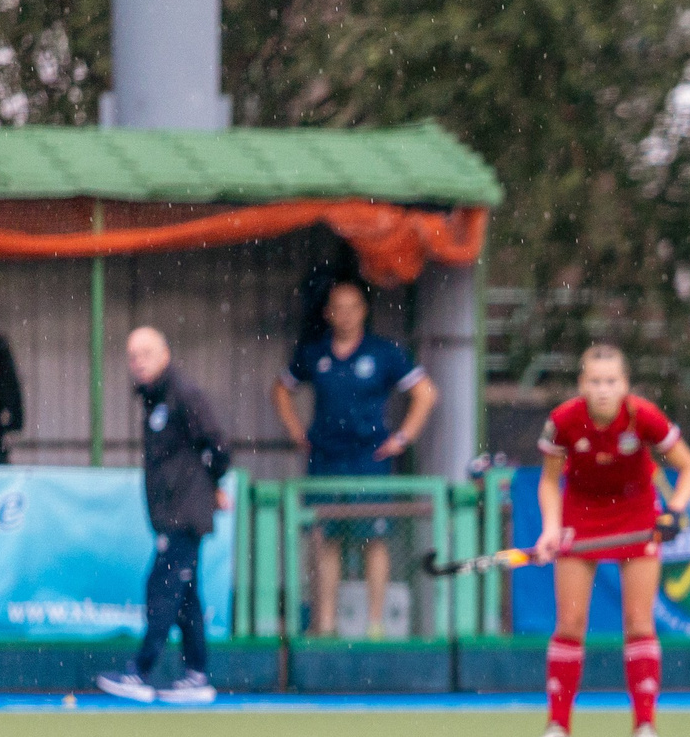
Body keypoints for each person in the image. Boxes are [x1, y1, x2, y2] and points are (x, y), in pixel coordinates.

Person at [526, 344, 690, 737]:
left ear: (625, 385)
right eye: (594, 381)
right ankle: (558, 732)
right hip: (581, 518)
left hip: (637, 517)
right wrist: (551, 529)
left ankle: (645, 730)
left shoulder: (643, 416)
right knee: (569, 623)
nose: (603, 390)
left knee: (639, 623)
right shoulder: (563, 421)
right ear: (581, 384)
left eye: (611, 381)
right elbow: (550, 482)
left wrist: (674, 512)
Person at [271, 279, 440, 637]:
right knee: (325, 537)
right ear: (329, 313)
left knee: (374, 539)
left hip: (370, 458)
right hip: (327, 459)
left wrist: (402, 437)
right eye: (338, 308)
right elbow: (281, 390)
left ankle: (375, 624)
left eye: (353, 307)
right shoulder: (315, 353)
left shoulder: (384, 353)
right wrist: (296, 431)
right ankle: (326, 624)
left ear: (363, 311)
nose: (345, 315)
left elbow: (425, 393)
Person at [97, 328, 231, 706]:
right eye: (132, 355)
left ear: (165, 353)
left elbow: (217, 444)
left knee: (163, 588)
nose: (137, 361)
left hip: (183, 515)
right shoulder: (155, 399)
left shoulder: (184, 394)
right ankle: (196, 675)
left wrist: (212, 484)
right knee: (185, 595)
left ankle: (141, 671)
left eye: (145, 353)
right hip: (172, 513)